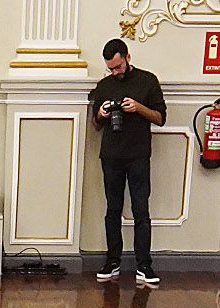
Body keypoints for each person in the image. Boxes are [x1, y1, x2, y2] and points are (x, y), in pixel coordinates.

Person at [87, 41, 167, 288]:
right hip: (111, 155)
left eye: (119, 66)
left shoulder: (148, 81)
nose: (115, 72)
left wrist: (139, 108)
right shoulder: (104, 86)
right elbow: (95, 125)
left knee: (141, 210)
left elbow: (161, 118)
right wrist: (101, 113)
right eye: (111, 68)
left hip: (138, 155)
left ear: (128, 57)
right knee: (113, 210)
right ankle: (113, 261)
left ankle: (144, 265)